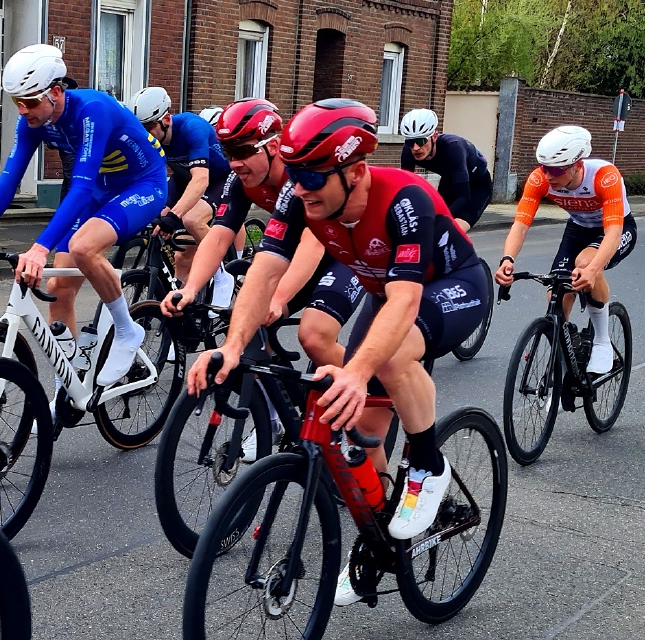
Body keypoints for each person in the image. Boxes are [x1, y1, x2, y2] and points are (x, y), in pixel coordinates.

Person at [192, 99, 487, 605]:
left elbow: (406, 299)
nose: (301, 187)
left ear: (354, 172)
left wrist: (357, 370)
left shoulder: (405, 199)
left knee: (387, 359)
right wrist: (233, 346)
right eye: (296, 175)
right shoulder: (301, 196)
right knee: (364, 437)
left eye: (313, 177)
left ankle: (428, 464)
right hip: (383, 291)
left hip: (451, 286)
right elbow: (265, 270)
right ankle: (380, 537)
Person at [0, 44, 168, 386]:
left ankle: (126, 329)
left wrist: (40, 248)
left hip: (142, 185)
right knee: (58, 288)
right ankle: (67, 387)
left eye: (30, 102)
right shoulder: (33, 123)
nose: (23, 110)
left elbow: (81, 186)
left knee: (84, 247)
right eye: (16, 101)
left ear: (55, 92)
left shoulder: (91, 110)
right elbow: (8, 181)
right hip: (101, 189)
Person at [163, 98, 365, 460]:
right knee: (249, 325)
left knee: (313, 335)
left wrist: (279, 297)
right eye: (228, 152)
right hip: (292, 253)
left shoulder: (300, 175)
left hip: (342, 254)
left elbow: (313, 241)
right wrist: (190, 288)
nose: (234, 162)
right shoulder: (241, 180)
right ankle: (274, 418)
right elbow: (219, 235)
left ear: (273, 146)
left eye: (243, 151)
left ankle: (368, 389)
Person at [495, 125, 636, 374]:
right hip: (578, 228)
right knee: (556, 292)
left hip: (616, 228)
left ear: (577, 165)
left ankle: (602, 341)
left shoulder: (605, 176)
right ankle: (567, 350)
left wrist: (592, 270)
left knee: (585, 265)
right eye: (544, 168)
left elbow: (613, 233)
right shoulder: (539, 179)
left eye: (556, 169)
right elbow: (521, 224)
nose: (548, 175)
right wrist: (507, 259)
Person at [125, 86, 231, 284]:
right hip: (184, 179)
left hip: (218, 178)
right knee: (182, 254)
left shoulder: (192, 127)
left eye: (148, 127)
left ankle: (222, 277)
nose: (145, 135)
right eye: (140, 128)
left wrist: (175, 215)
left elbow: (201, 179)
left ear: (166, 120)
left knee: (192, 220)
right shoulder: (149, 140)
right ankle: (179, 298)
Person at [399, 108, 493, 232]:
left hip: (477, 186)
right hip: (449, 181)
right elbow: (406, 190)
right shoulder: (408, 151)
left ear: (434, 136)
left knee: (451, 230)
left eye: (421, 141)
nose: (415, 148)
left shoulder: (453, 148)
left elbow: (463, 197)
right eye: (410, 142)